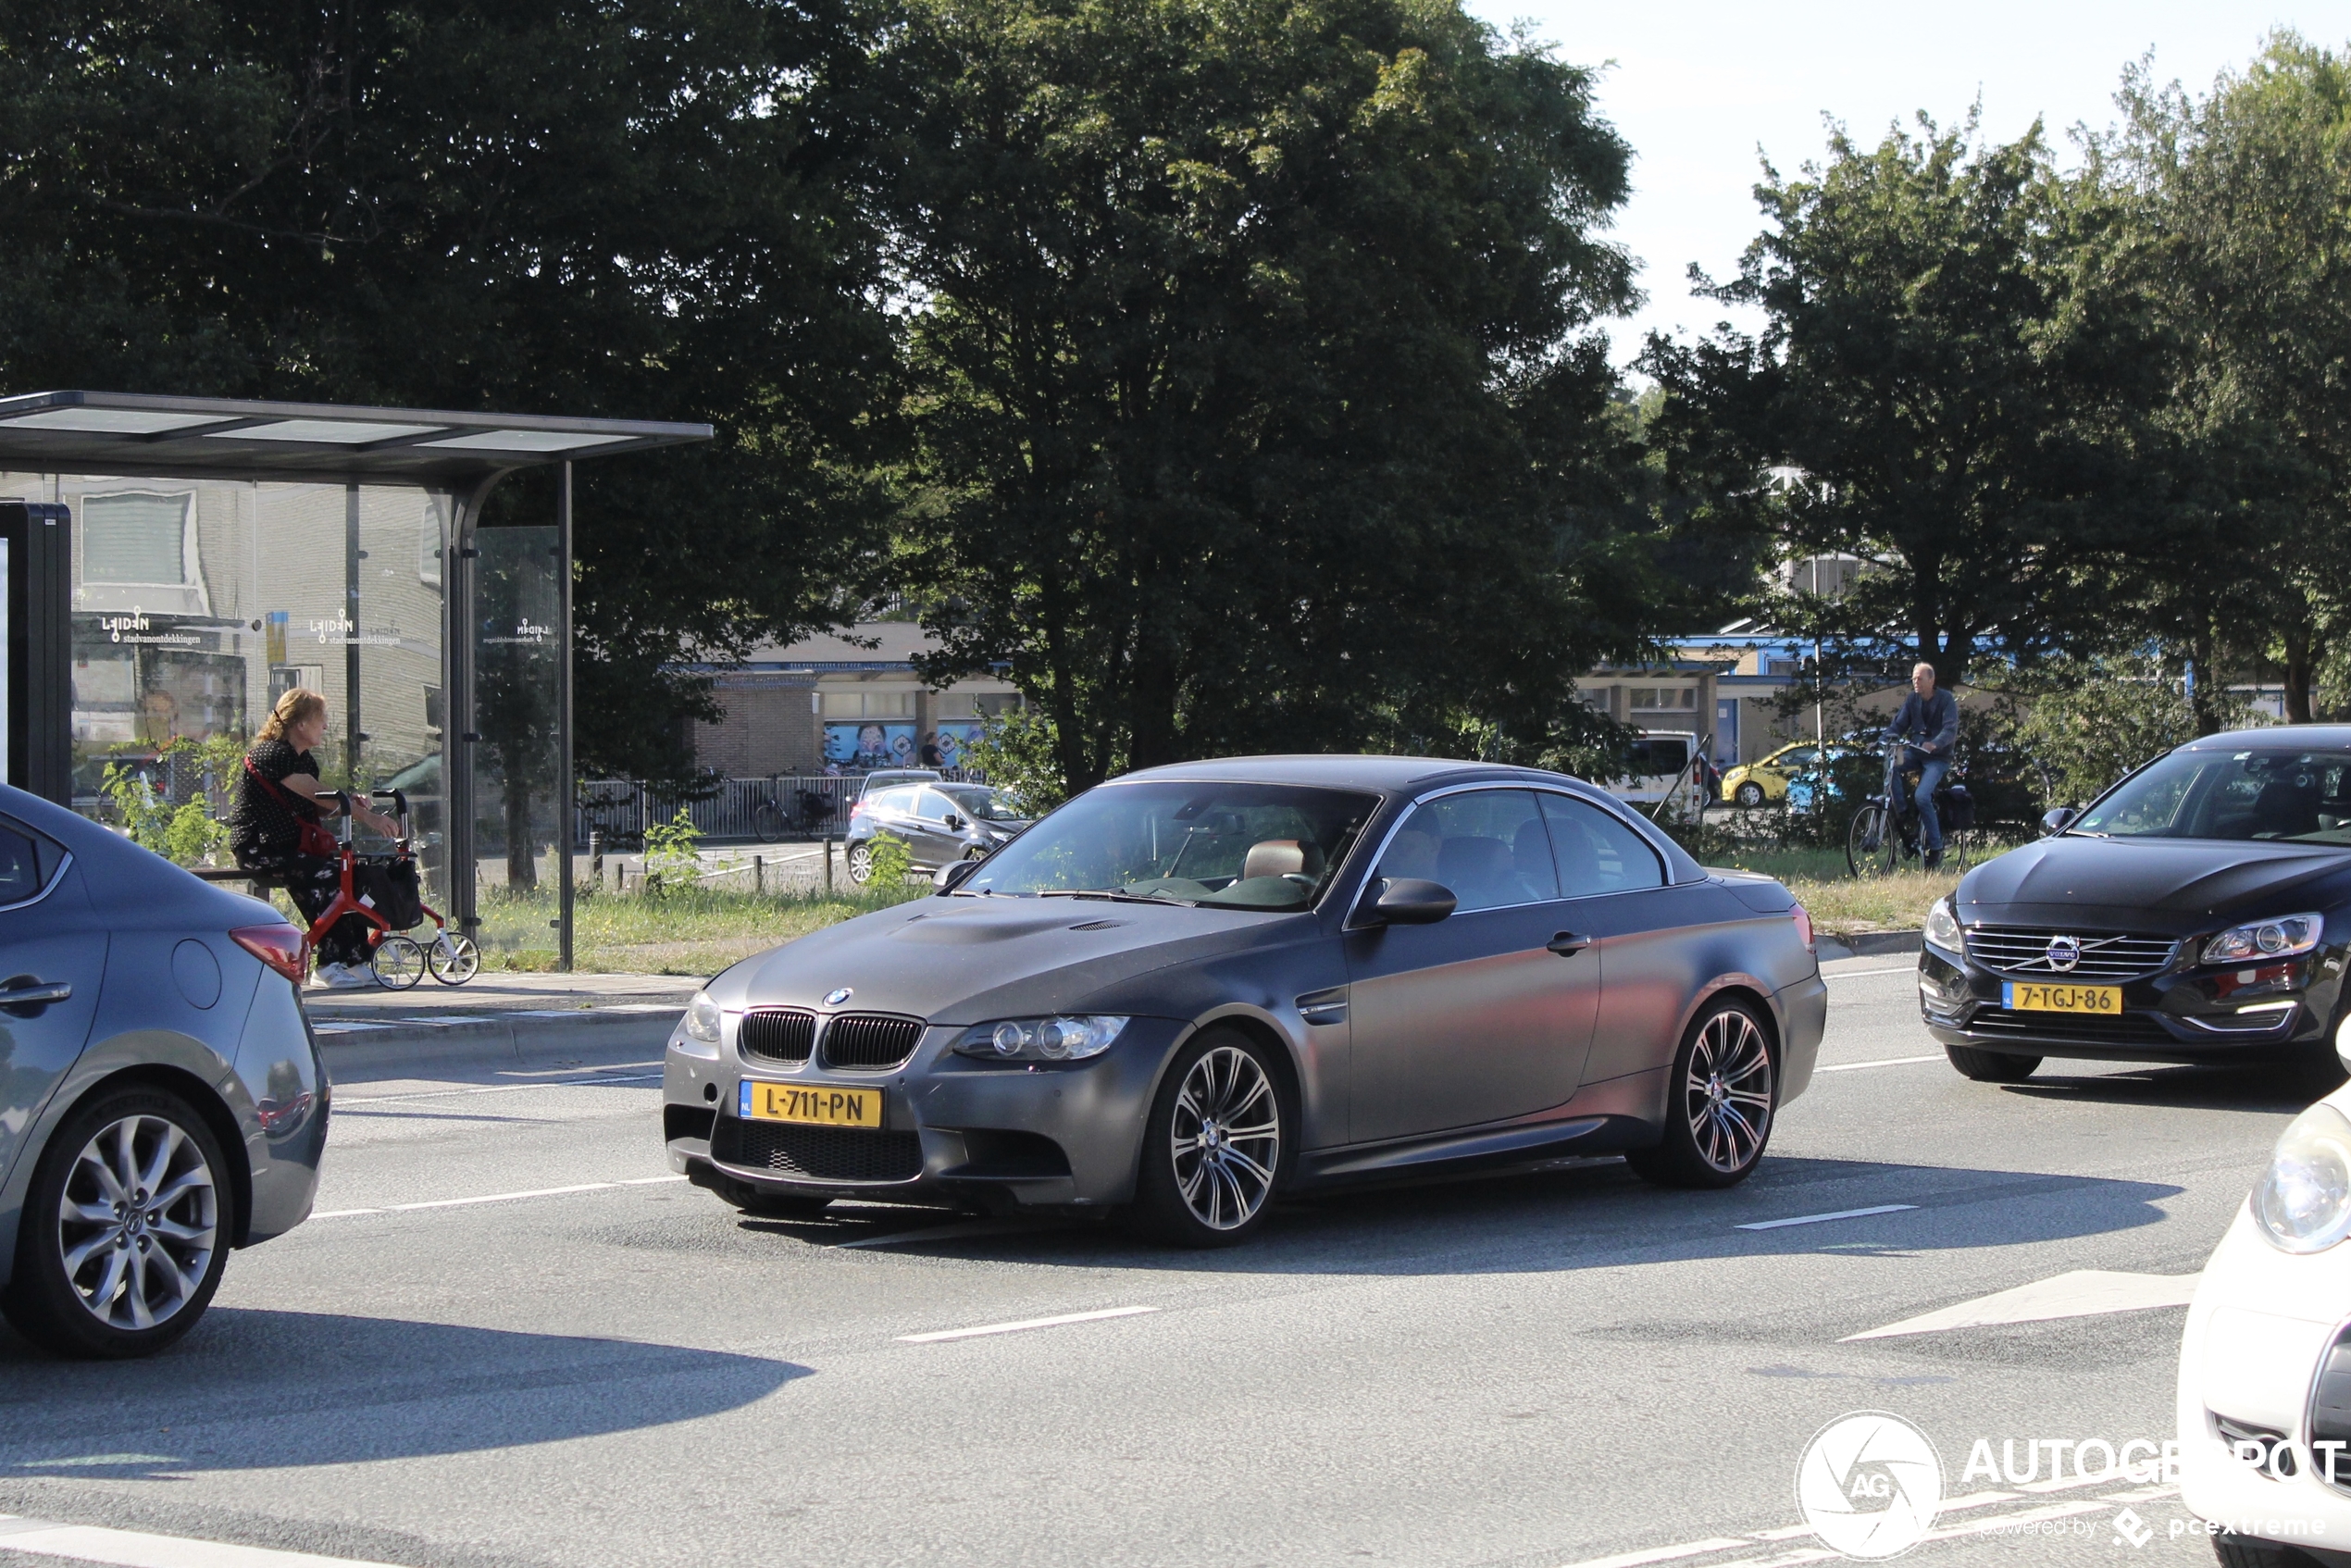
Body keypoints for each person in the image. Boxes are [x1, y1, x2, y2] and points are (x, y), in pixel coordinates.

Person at [229, 688, 402, 988]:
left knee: (351, 875)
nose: (324, 726)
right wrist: (368, 817)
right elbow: (316, 793)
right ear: (300, 724)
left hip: (294, 846)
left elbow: (315, 808)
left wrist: (350, 806)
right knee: (329, 876)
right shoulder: (272, 754)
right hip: (262, 846)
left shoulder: (305, 760)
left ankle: (357, 959)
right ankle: (327, 963)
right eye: (320, 719)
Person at [1882, 661, 1959, 870]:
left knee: (1923, 796)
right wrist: (1885, 738)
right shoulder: (1912, 700)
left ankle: (1936, 847)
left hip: (1938, 758)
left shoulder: (1946, 700)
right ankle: (1904, 811)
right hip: (1916, 753)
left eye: (1920, 679)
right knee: (1893, 766)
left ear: (1931, 680)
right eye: (1913, 679)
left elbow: (1950, 729)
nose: (1915, 682)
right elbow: (1898, 725)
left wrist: (1935, 743)